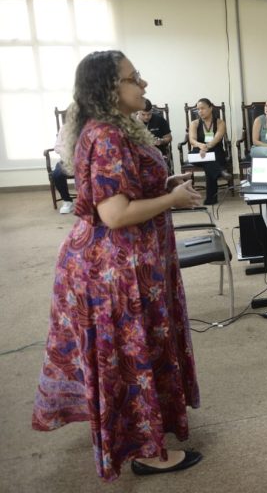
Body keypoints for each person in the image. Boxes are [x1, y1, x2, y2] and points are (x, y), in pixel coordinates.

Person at [32, 51, 204, 482]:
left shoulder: (116, 129)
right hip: (113, 271)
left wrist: (162, 185)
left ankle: (140, 436)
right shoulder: (107, 135)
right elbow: (113, 215)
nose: (143, 83)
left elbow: (122, 191)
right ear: (109, 88)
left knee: (136, 354)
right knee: (130, 359)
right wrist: (172, 200)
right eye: (134, 77)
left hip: (126, 264)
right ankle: (148, 453)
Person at [187, 97, 229, 205]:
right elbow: (192, 140)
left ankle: (211, 199)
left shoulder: (220, 123)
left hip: (216, 149)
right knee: (206, 160)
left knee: (208, 163)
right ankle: (220, 171)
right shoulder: (195, 123)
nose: (200, 111)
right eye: (198, 109)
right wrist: (201, 146)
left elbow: (217, 138)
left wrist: (207, 147)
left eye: (203, 108)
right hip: (199, 150)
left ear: (210, 108)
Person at [51, 125, 75, 214]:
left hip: (83, 160)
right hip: (65, 160)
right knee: (57, 175)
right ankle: (67, 201)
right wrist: (66, 152)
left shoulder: (88, 127)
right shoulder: (64, 128)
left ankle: (87, 201)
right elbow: (57, 147)